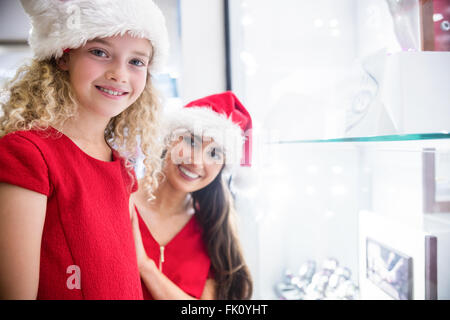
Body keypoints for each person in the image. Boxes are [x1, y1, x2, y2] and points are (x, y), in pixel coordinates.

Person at [0, 0, 169, 299]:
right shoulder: (27, 153)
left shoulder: (122, 166)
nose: (119, 73)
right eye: (99, 52)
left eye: (136, 61)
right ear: (63, 56)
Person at [130, 91, 253, 300]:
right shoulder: (122, 200)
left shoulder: (212, 229)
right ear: (170, 139)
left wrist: (145, 266)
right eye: (191, 141)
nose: (196, 162)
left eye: (214, 154)